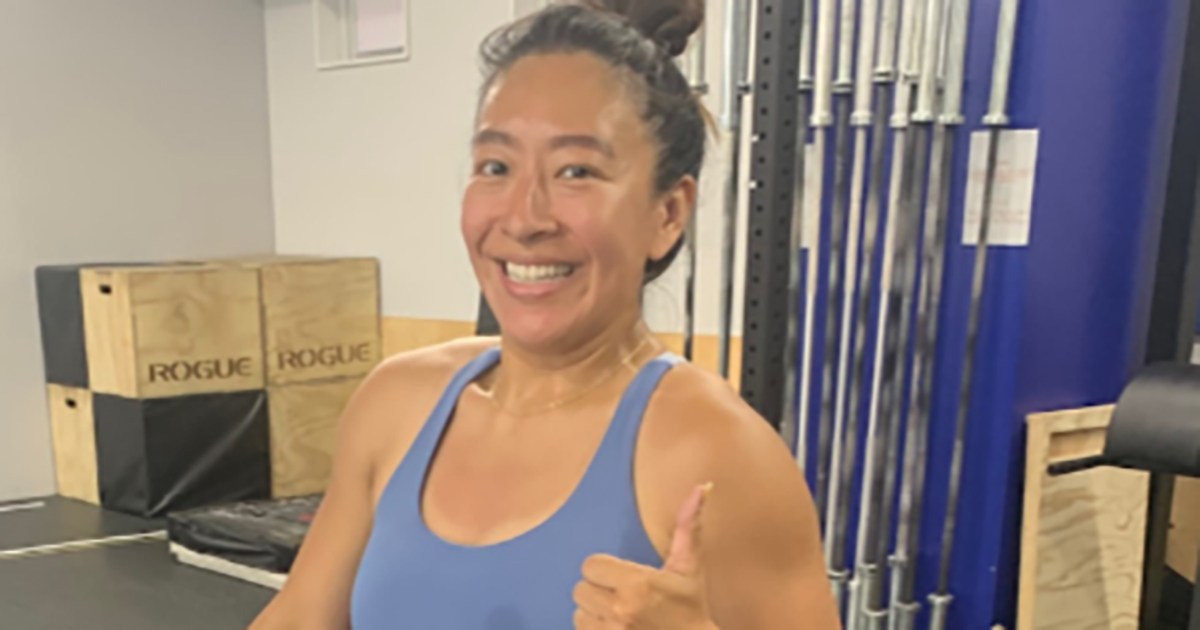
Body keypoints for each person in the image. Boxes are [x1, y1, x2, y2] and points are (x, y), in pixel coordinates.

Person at [250, 1, 839, 628]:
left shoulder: (714, 450)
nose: (524, 217)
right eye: (496, 167)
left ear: (668, 214)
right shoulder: (397, 403)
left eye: (576, 171)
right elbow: (300, 618)